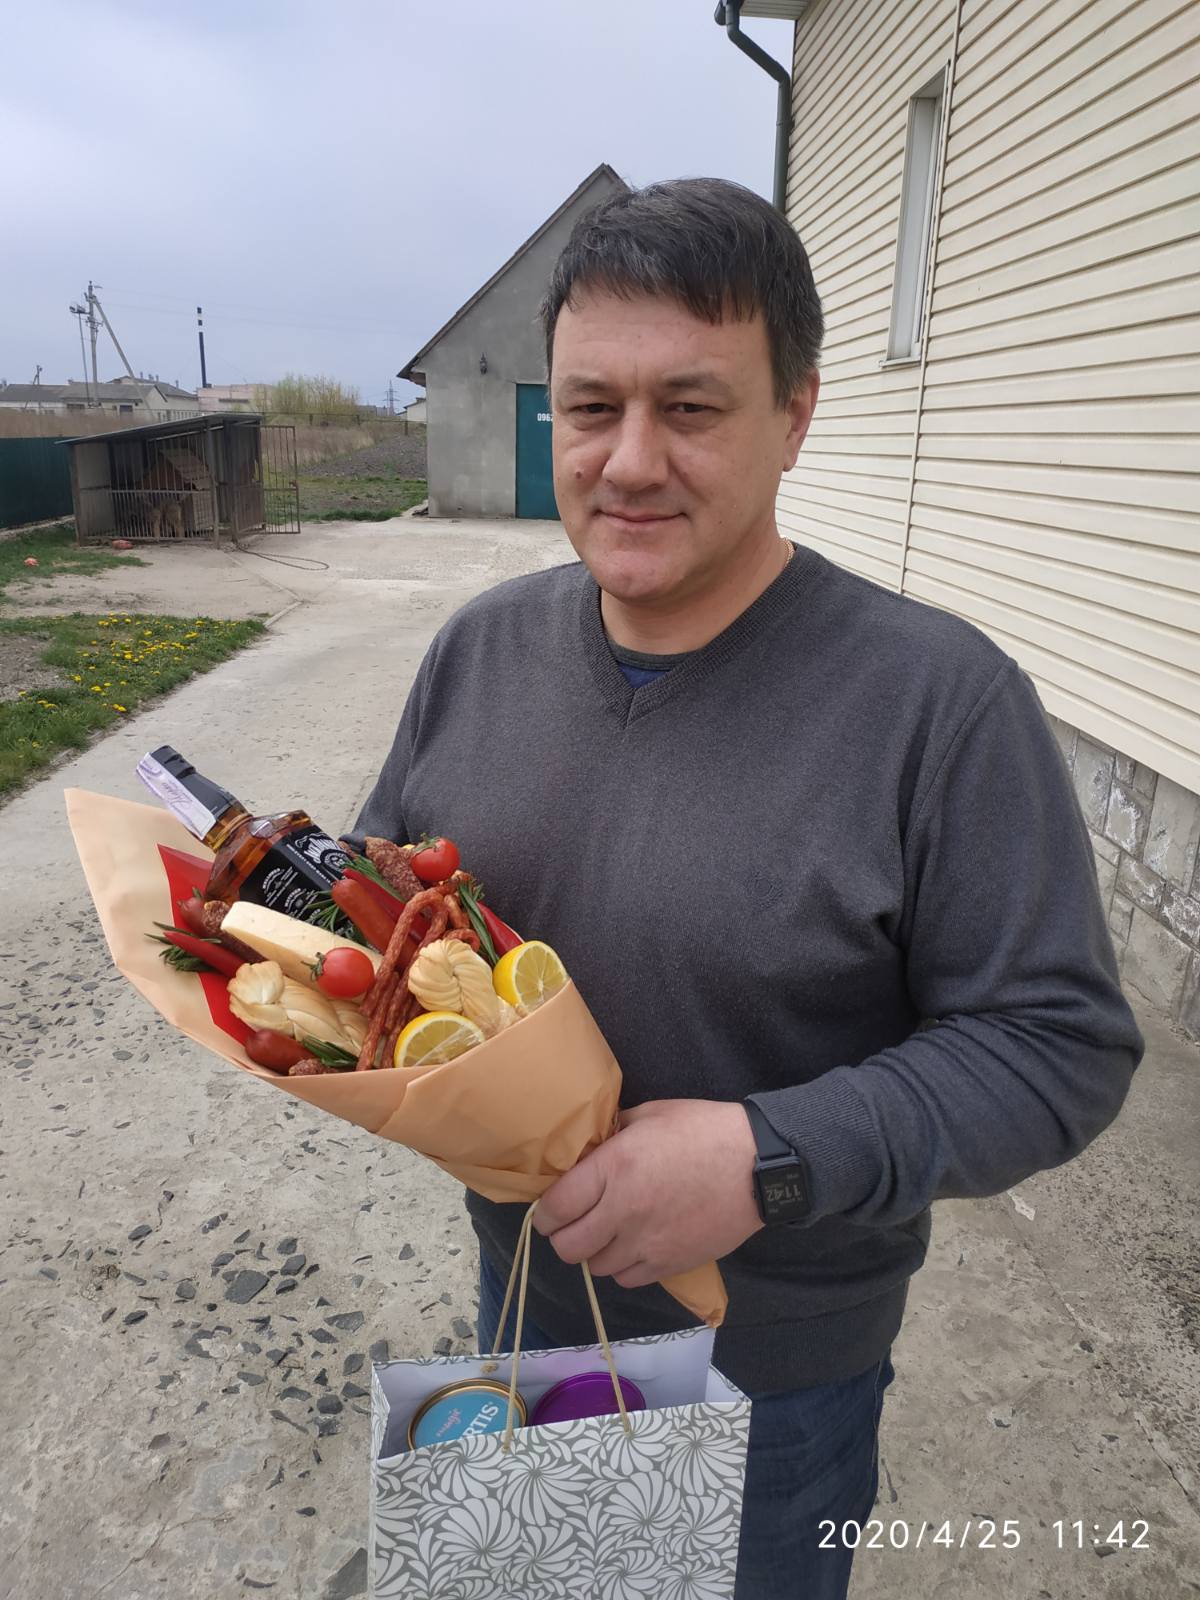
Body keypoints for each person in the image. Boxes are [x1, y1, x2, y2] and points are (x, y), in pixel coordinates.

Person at [345, 177, 1144, 1599]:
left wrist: (766, 1159)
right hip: (520, 1309)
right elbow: (386, 903)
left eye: (692, 408)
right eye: (591, 407)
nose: (629, 461)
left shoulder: (939, 705)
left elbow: (1057, 1047)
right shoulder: (478, 650)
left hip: (767, 1386)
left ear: (796, 415)